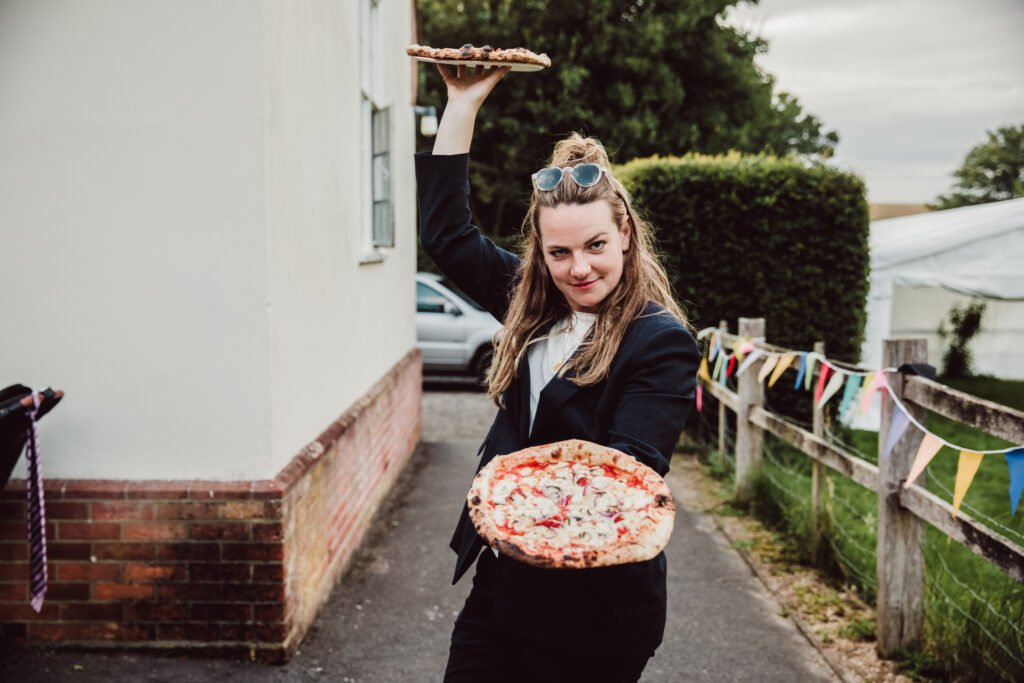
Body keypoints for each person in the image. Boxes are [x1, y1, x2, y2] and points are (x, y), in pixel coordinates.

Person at [416, 63, 699, 683]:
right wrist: (461, 103)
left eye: (595, 245)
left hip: (595, 614)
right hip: (504, 584)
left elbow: (623, 473)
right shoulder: (529, 300)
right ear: (540, 253)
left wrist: (509, 490)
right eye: (559, 252)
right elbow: (446, 231)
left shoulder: (662, 342)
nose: (579, 269)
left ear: (624, 233)